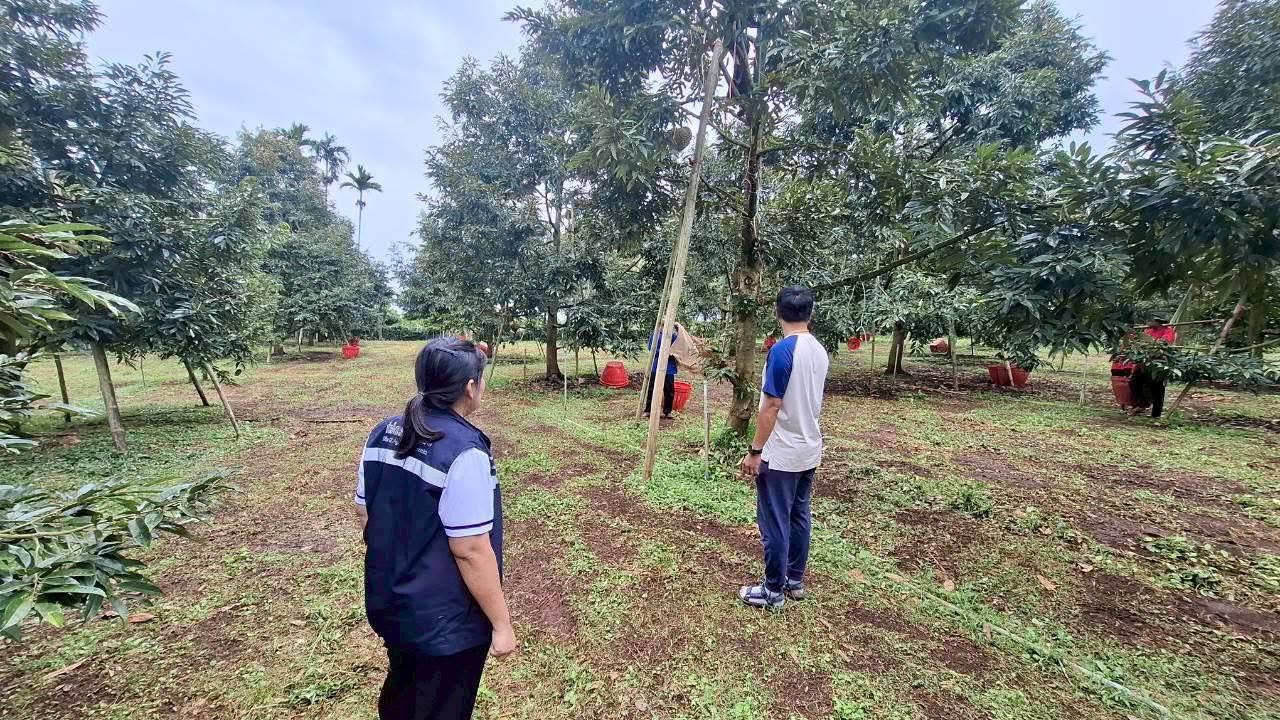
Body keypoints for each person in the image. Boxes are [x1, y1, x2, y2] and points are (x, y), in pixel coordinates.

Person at [355, 337, 515, 720]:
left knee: (404, 692)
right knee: (441, 705)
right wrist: (501, 624)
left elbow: (365, 513)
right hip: (445, 623)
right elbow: (471, 549)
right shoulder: (464, 451)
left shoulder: (383, 432)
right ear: (470, 388)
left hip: (392, 600)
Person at [738, 286, 830, 610]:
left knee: (775, 520)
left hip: (782, 452)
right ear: (811, 313)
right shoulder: (819, 350)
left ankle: (772, 591)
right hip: (809, 447)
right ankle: (794, 580)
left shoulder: (781, 351)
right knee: (799, 514)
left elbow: (772, 405)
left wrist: (755, 450)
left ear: (777, 312)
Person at [1130, 317, 1177, 418]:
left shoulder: (1168, 331)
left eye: (1151, 321)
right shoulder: (1148, 330)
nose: (1148, 323)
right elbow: (1140, 342)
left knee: (1157, 388)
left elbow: (1164, 343)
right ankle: (1142, 404)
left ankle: (1156, 414)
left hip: (1159, 363)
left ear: (1158, 322)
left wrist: (1152, 344)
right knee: (1135, 381)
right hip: (1145, 362)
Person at [645, 325, 680, 418]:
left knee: (669, 390)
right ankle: (648, 410)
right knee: (652, 388)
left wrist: (670, 353)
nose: (663, 327)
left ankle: (667, 412)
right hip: (656, 366)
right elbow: (651, 348)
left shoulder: (673, 336)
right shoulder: (655, 335)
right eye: (662, 325)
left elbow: (678, 349)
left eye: (665, 325)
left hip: (669, 367)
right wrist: (664, 352)